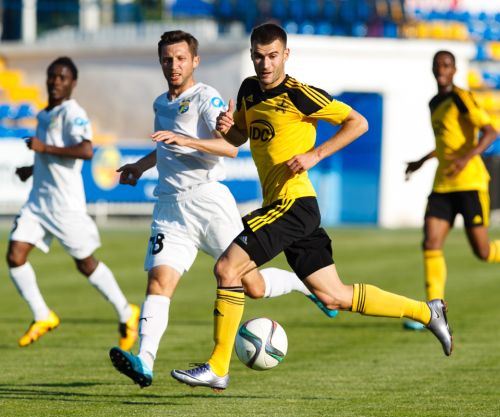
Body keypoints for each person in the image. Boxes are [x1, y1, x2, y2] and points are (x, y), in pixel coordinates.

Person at [170, 23, 453, 392]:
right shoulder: (248, 91)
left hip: (294, 203)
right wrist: (228, 127)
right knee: (334, 294)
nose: (265, 64)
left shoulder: (299, 94)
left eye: (273, 56)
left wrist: (315, 154)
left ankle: (218, 366)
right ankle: (427, 311)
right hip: (287, 208)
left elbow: (358, 122)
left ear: (286, 55)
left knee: (228, 267)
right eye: (258, 56)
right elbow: (241, 136)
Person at [108, 30, 337, 389]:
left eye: (181, 58)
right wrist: (140, 165)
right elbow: (168, 149)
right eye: (168, 59)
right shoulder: (160, 104)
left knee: (253, 286)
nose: (174, 65)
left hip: (208, 202)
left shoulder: (206, 98)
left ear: (195, 61)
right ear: (160, 61)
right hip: (169, 207)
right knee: (159, 280)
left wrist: (203, 134)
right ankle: (145, 361)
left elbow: (229, 146)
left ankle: (301, 283)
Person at [403, 50, 500, 330]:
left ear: (454, 70)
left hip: (470, 183)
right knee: (431, 243)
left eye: (446, 65)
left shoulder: (461, 97)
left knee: (483, 250)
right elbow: (446, 144)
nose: (441, 69)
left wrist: (466, 158)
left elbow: (490, 132)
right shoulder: (434, 103)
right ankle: (434, 312)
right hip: (443, 184)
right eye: (437, 65)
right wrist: (422, 160)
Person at [6, 56, 140, 349]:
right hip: (38, 202)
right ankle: (42, 315)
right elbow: (51, 155)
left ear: (72, 83)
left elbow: (86, 150)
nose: (56, 81)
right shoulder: (44, 114)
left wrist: (44, 148)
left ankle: (126, 311)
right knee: (15, 255)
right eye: (52, 76)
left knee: (85, 263)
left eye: (62, 77)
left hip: (65, 206)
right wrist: (33, 167)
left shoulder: (73, 112)